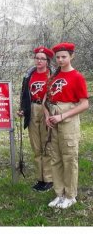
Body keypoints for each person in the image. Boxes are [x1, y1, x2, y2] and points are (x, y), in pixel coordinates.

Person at [44, 42, 89, 209]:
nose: (61, 60)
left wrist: (62, 116)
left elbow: (84, 104)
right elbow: (46, 100)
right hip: (54, 120)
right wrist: (48, 116)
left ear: (72, 56)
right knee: (55, 158)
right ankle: (59, 193)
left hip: (68, 121)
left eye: (64, 56)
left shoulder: (77, 77)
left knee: (69, 158)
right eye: (58, 57)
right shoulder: (53, 77)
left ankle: (71, 195)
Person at [18, 46, 54, 192]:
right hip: (32, 109)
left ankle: (49, 179)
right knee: (36, 146)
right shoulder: (29, 75)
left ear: (47, 61)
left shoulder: (52, 75)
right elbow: (24, 94)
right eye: (37, 58)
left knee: (46, 144)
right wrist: (22, 109)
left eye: (42, 58)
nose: (39, 61)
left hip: (46, 108)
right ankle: (40, 178)